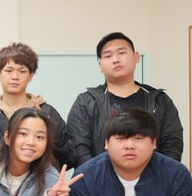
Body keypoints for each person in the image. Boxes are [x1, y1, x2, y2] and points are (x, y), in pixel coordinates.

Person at [66, 32, 183, 167]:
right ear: (100, 65)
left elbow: (172, 144)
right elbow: (79, 148)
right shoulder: (86, 102)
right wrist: (97, 176)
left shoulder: (159, 100)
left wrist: (160, 176)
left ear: (136, 57)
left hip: (154, 178)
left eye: (121, 53)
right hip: (99, 178)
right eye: (108, 56)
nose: (115, 59)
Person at [0, 42, 73, 167]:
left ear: (31, 76)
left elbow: (68, 156)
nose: (15, 76)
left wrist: (47, 128)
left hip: (40, 178)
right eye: (9, 70)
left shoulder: (47, 112)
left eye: (22, 71)